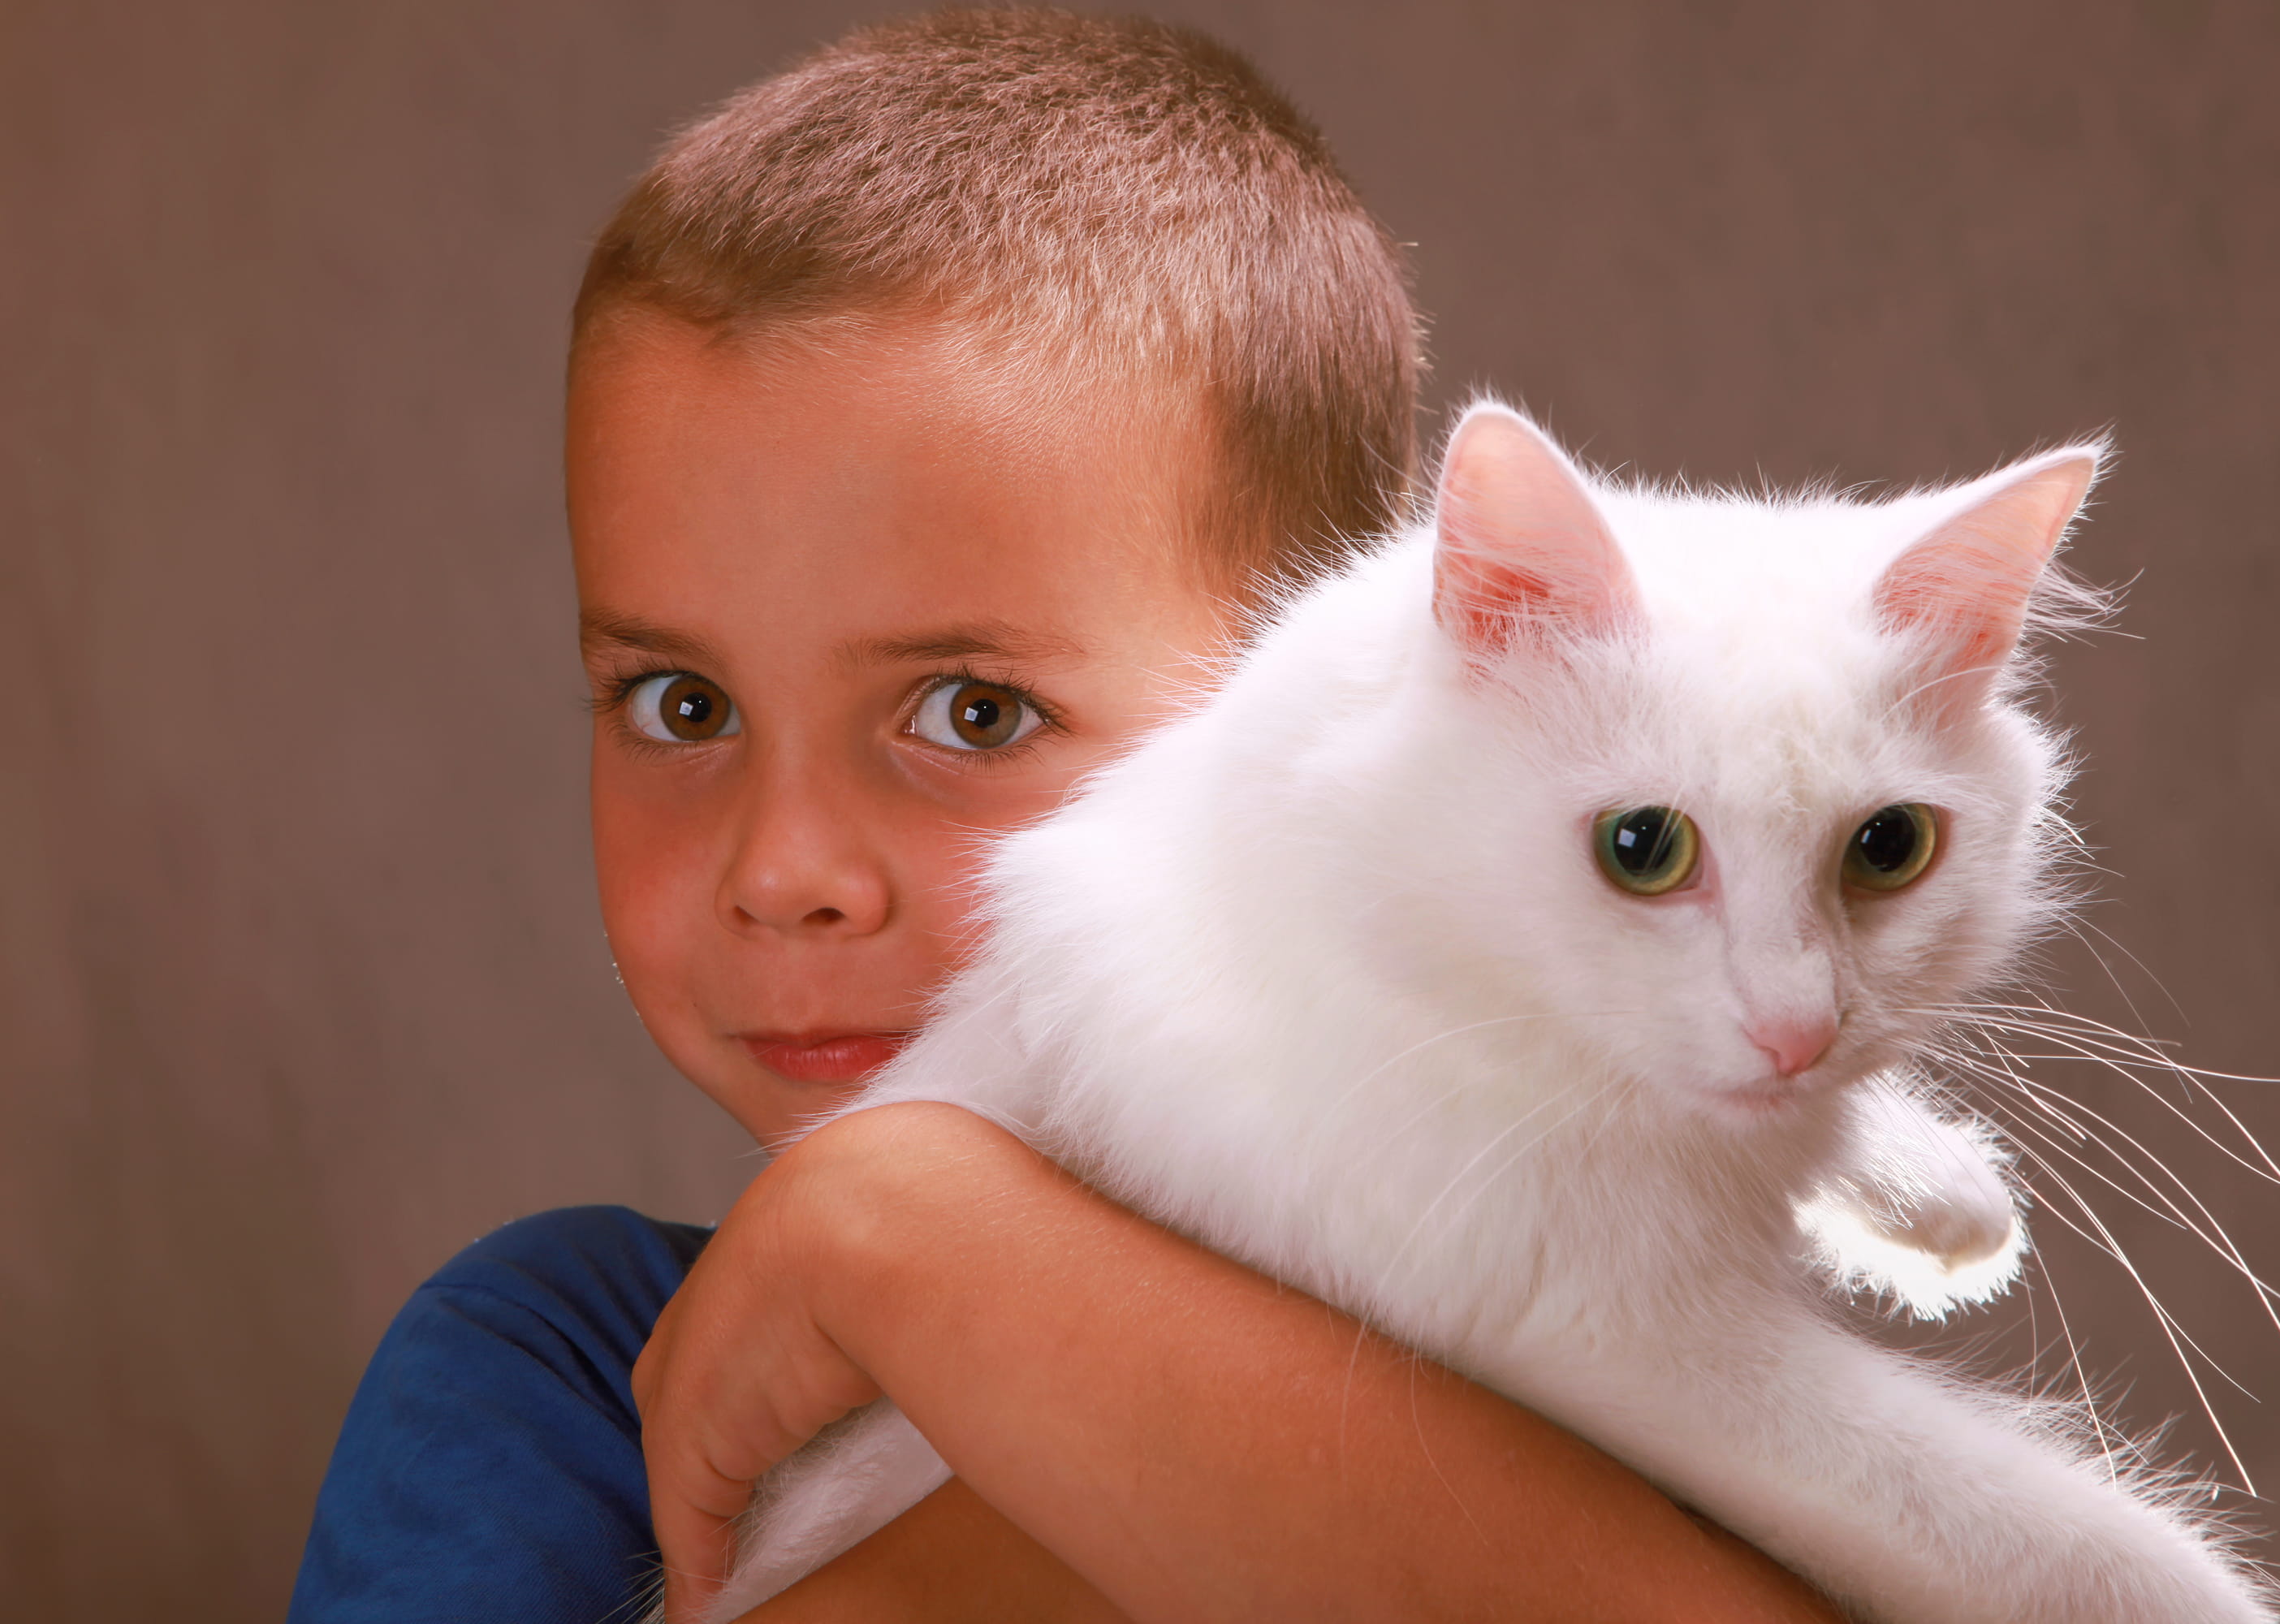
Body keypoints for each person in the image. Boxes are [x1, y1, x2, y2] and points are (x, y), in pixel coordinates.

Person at [290, 12, 1842, 1622]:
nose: (783, 870)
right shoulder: (553, 1378)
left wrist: (921, 1253)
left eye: (973, 710)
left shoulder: (1605, 1344)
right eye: (684, 706)